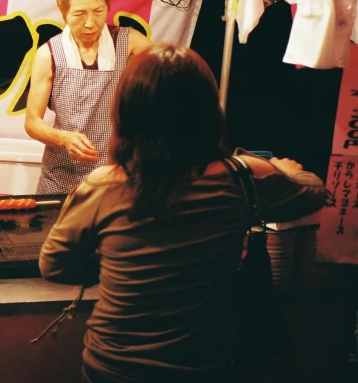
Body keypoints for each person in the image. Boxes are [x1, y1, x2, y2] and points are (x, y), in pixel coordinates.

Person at [39, 45, 326, 383]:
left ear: (127, 113)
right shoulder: (242, 177)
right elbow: (313, 192)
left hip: (114, 368)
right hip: (204, 368)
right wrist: (278, 166)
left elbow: (54, 265)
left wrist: (113, 263)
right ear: (208, 111)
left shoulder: (103, 185)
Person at [25, 0, 151, 194]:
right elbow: (32, 122)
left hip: (113, 179)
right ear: (64, 13)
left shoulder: (130, 42)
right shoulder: (49, 54)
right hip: (59, 180)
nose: (90, 23)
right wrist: (64, 139)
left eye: (99, 11)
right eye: (80, 14)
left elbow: (167, 74)